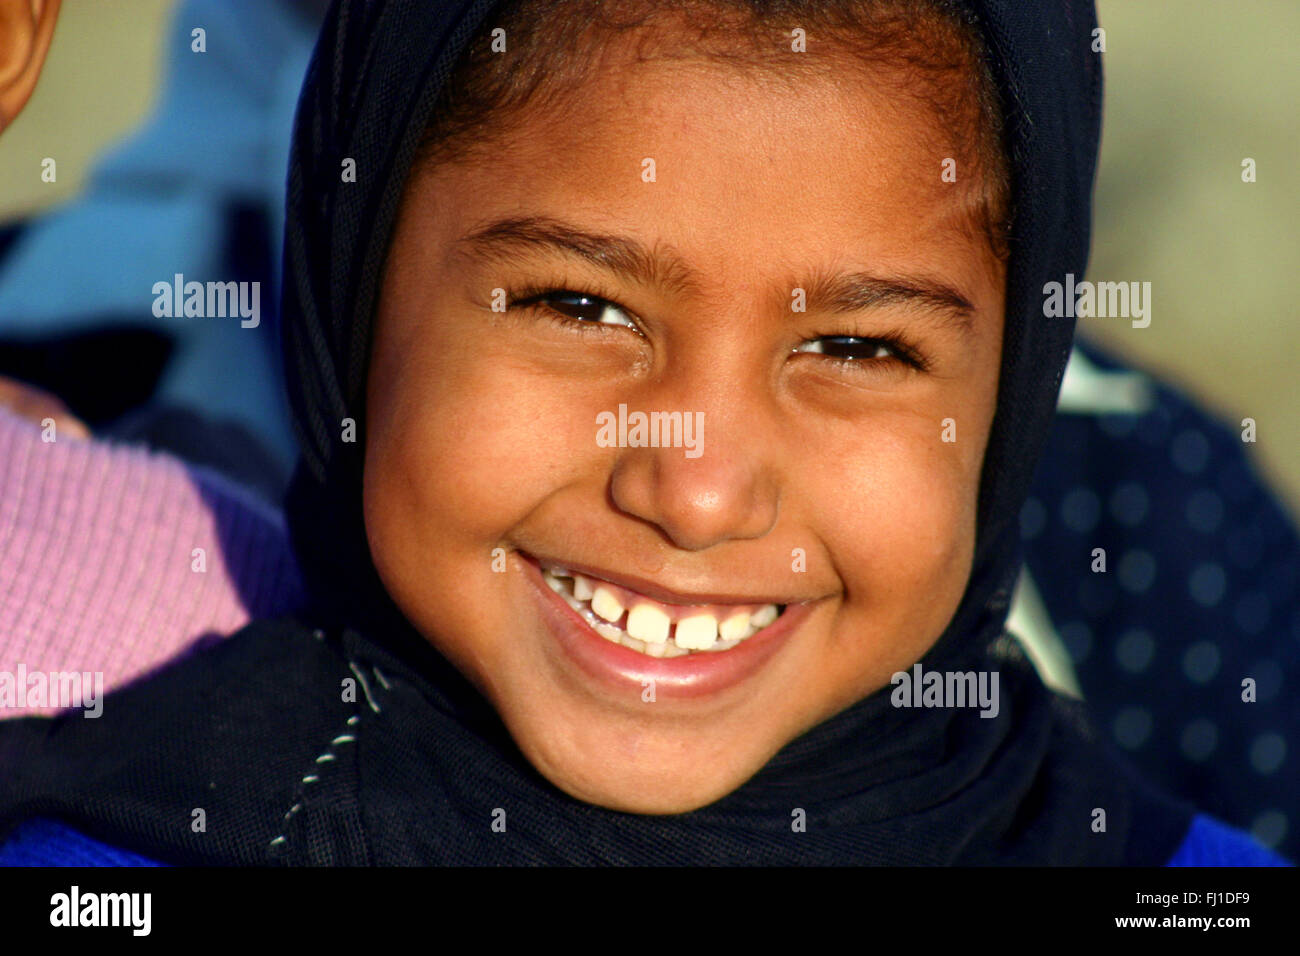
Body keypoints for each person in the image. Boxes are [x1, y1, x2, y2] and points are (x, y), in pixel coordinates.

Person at [0, 0, 1289, 865]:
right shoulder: (114, 835)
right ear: (350, 295)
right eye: (578, 305)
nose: (701, 489)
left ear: (1012, 391)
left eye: (856, 347)